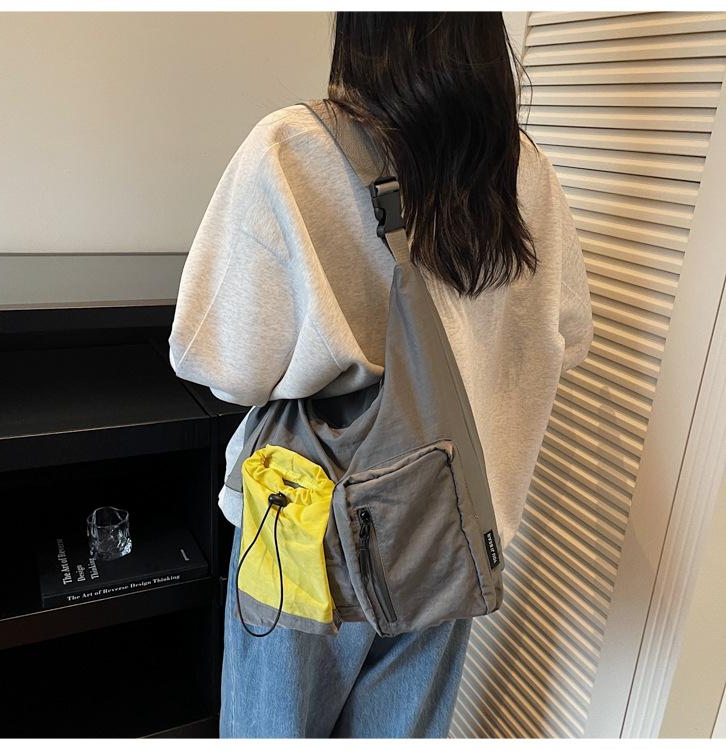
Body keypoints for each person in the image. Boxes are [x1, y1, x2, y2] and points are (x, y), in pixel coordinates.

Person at [168, 11, 594, 739]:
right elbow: (569, 339)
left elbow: (225, 365)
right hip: (453, 529)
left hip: (307, 531)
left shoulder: (290, 150)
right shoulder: (522, 167)